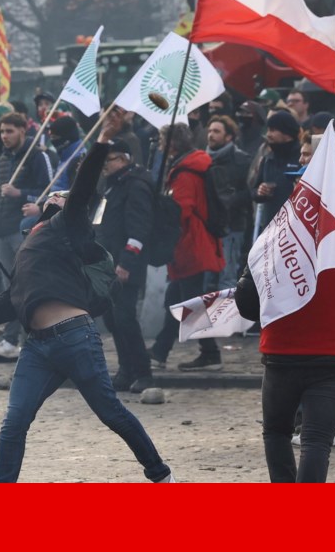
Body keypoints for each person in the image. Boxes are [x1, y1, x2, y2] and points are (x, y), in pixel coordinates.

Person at [0, 107, 173, 483]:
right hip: (37, 347)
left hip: (75, 338)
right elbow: (15, 297)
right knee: (14, 422)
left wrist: (101, 141)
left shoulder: (66, 226)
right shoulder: (34, 243)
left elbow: (83, 186)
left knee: (110, 412)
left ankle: (160, 475)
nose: (59, 196)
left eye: (63, 195)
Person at [235, 230, 335, 482]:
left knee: (276, 433)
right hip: (332, 358)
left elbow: (247, 304)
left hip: (281, 355)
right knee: (317, 441)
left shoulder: (273, 239)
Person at [149, 123, 226, 372]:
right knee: (178, 300)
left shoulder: (186, 172)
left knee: (190, 303)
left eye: (163, 141)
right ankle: (160, 351)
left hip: (190, 244)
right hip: (192, 243)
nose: (160, 146)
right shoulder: (190, 166)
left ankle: (210, 353)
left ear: (171, 144)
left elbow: (179, 210)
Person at [0, 113, 51, 363]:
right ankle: (11, 341)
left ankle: (31, 339)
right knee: (9, 289)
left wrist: (21, 194)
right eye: (2, 131)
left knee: (28, 286)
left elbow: (49, 190)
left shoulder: (36, 156)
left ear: (23, 130)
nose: (5, 136)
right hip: (1, 231)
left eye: (10, 131)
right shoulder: (2, 158)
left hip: (23, 231)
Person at [94, 140, 155, 393]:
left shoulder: (136, 186)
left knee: (125, 318)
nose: (104, 166)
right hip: (110, 261)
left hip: (126, 264)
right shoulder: (113, 185)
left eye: (108, 161)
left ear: (123, 159)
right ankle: (125, 370)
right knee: (112, 318)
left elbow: (139, 229)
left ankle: (143, 372)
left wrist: (126, 262)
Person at [205, 115, 252, 291]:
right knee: (206, 280)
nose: (211, 135)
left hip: (231, 227)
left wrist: (231, 200)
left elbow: (248, 193)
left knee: (228, 277)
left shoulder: (241, 160)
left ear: (228, 136)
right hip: (209, 227)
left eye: (216, 131)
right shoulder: (203, 160)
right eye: (210, 130)